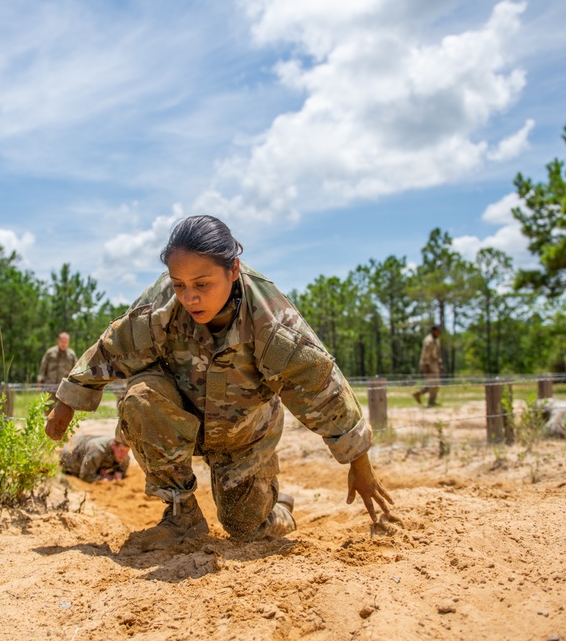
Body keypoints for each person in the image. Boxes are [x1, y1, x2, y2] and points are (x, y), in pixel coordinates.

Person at [45, 215, 394, 552]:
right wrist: (69, 398)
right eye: (179, 284)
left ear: (234, 270)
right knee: (140, 397)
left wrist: (358, 463)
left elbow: (319, 385)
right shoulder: (163, 298)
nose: (189, 297)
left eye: (202, 284)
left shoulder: (272, 319)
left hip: (244, 433)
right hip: (181, 412)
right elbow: (118, 344)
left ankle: (279, 506)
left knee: (245, 529)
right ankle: (181, 517)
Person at [60, 433, 131, 483]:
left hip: (88, 444)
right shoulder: (98, 450)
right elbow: (85, 476)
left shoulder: (124, 456)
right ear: (113, 446)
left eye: (127, 451)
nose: (124, 455)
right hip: (72, 453)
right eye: (121, 450)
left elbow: (122, 470)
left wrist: (118, 473)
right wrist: (103, 478)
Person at [413, 324, 443, 407]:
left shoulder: (436, 340)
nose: (439, 333)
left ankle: (419, 393)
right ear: (433, 331)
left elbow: (437, 354)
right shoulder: (428, 341)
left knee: (434, 384)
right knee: (434, 384)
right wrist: (426, 366)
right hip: (428, 364)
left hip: (434, 364)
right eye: (437, 331)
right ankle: (431, 401)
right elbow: (424, 355)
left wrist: (440, 363)